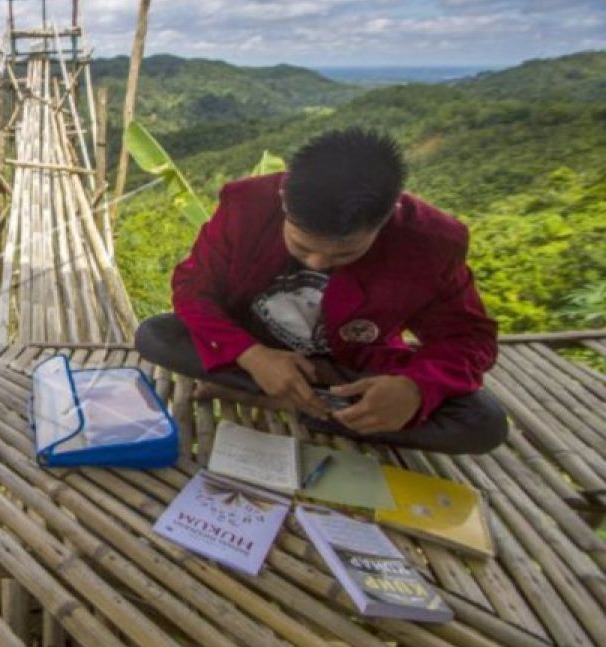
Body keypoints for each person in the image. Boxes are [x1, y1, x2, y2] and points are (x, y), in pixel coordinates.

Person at [135, 127, 508, 454]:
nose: (316, 263)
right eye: (301, 247)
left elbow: (468, 337)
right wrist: (253, 356)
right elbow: (192, 289)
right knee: (157, 335)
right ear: (284, 200)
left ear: (386, 217)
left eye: (346, 254)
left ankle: (299, 403)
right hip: (256, 344)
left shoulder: (431, 242)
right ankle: (316, 408)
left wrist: (414, 389)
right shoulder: (245, 206)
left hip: (350, 365)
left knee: (483, 422)